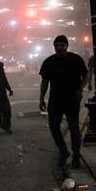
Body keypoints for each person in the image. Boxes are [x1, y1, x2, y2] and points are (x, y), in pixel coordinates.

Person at [39, 35, 88, 169]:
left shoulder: (76, 59)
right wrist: (41, 98)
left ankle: (76, 155)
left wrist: (80, 89)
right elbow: (44, 81)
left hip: (72, 99)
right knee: (54, 127)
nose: (59, 47)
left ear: (67, 46)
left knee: (74, 129)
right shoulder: (49, 62)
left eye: (62, 45)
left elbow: (86, 75)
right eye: (57, 45)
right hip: (55, 100)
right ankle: (63, 150)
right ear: (53, 47)